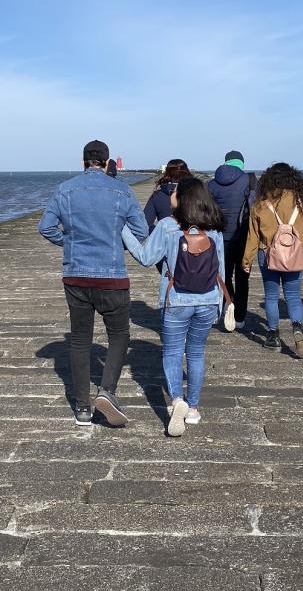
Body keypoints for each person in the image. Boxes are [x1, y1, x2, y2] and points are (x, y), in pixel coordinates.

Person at [38, 140, 149, 427]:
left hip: (76, 276)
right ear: (107, 161)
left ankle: (82, 407)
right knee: (119, 335)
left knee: (79, 340)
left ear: (84, 161)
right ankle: (108, 391)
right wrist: (113, 241)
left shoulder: (66, 189)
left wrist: (71, 242)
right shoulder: (121, 190)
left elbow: (46, 227)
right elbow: (141, 229)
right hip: (112, 276)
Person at [122, 176, 227, 436]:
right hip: (208, 299)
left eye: (175, 191)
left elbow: (146, 258)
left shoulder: (169, 226)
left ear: (182, 198)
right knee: (196, 352)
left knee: (171, 351)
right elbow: (221, 271)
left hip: (176, 298)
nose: (171, 193)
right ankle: (192, 408)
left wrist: (122, 229)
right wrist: (221, 305)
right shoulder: (214, 229)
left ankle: (176, 400)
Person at [241, 162, 303, 356]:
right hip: (294, 256)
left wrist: (246, 260)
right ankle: (298, 330)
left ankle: (273, 335)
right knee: (293, 297)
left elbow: (252, 236)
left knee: (271, 296)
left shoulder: (261, 204)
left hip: (267, 255)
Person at [207, 150, 257, 331]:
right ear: (242, 163)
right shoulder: (250, 180)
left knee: (223, 276)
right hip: (245, 237)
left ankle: (229, 303)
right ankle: (240, 317)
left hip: (220, 238)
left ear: (226, 162)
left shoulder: (211, 184)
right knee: (243, 277)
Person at [143, 159, 190, 228]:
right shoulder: (196, 192)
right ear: (187, 171)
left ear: (167, 172)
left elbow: (146, 223)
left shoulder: (158, 195)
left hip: (166, 235)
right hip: (193, 235)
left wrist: (157, 232)